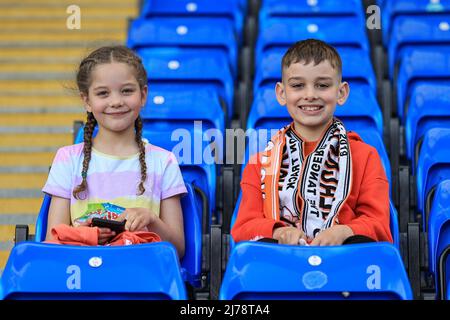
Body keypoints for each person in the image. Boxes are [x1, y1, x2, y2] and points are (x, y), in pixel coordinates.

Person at [232, 39, 393, 246]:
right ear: (282, 93)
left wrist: (345, 232)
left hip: (345, 266)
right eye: (298, 86)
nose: (310, 95)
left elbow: (379, 226)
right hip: (277, 267)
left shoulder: (365, 156)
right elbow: (243, 229)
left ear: (341, 93)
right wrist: (278, 232)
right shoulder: (260, 163)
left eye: (322, 85)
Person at [42, 46, 186, 257]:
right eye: (103, 93)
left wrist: (152, 220)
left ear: (143, 95)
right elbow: (52, 241)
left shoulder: (164, 161)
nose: (116, 101)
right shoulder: (67, 159)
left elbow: (178, 250)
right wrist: (86, 234)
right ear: (87, 101)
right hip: (80, 273)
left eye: (127, 91)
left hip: (141, 275)